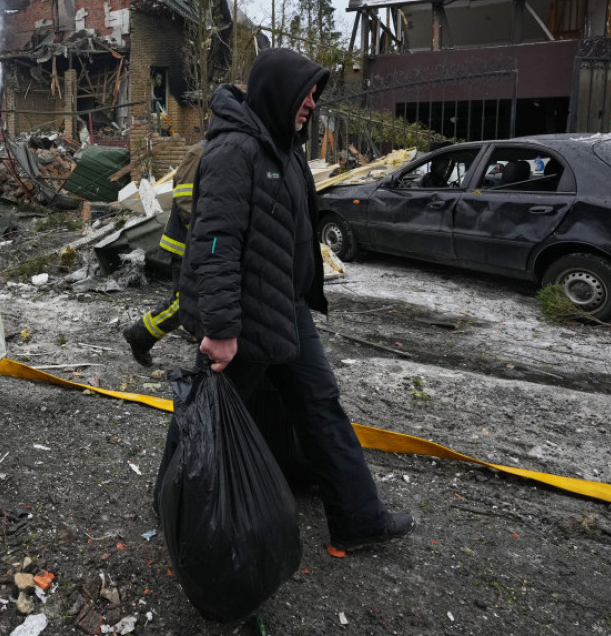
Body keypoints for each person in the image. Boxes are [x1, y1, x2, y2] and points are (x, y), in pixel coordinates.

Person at [177, 48, 415, 551]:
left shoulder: (283, 149)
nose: (311, 103)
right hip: (239, 324)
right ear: (277, 91)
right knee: (209, 419)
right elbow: (214, 243)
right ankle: (179, 509)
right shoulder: (233, 151)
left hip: (285, 310)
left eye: (314, 95)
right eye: (306, 93)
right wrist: (219, 330)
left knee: (321, 406)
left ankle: (358, 521)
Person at [122, 140, 204, 367]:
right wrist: (207, 238)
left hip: (202, 245)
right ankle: (140, 334)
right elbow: (186, 200)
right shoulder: (199, 152)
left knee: (196, 302)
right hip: (188, 244)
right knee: (185, 302)